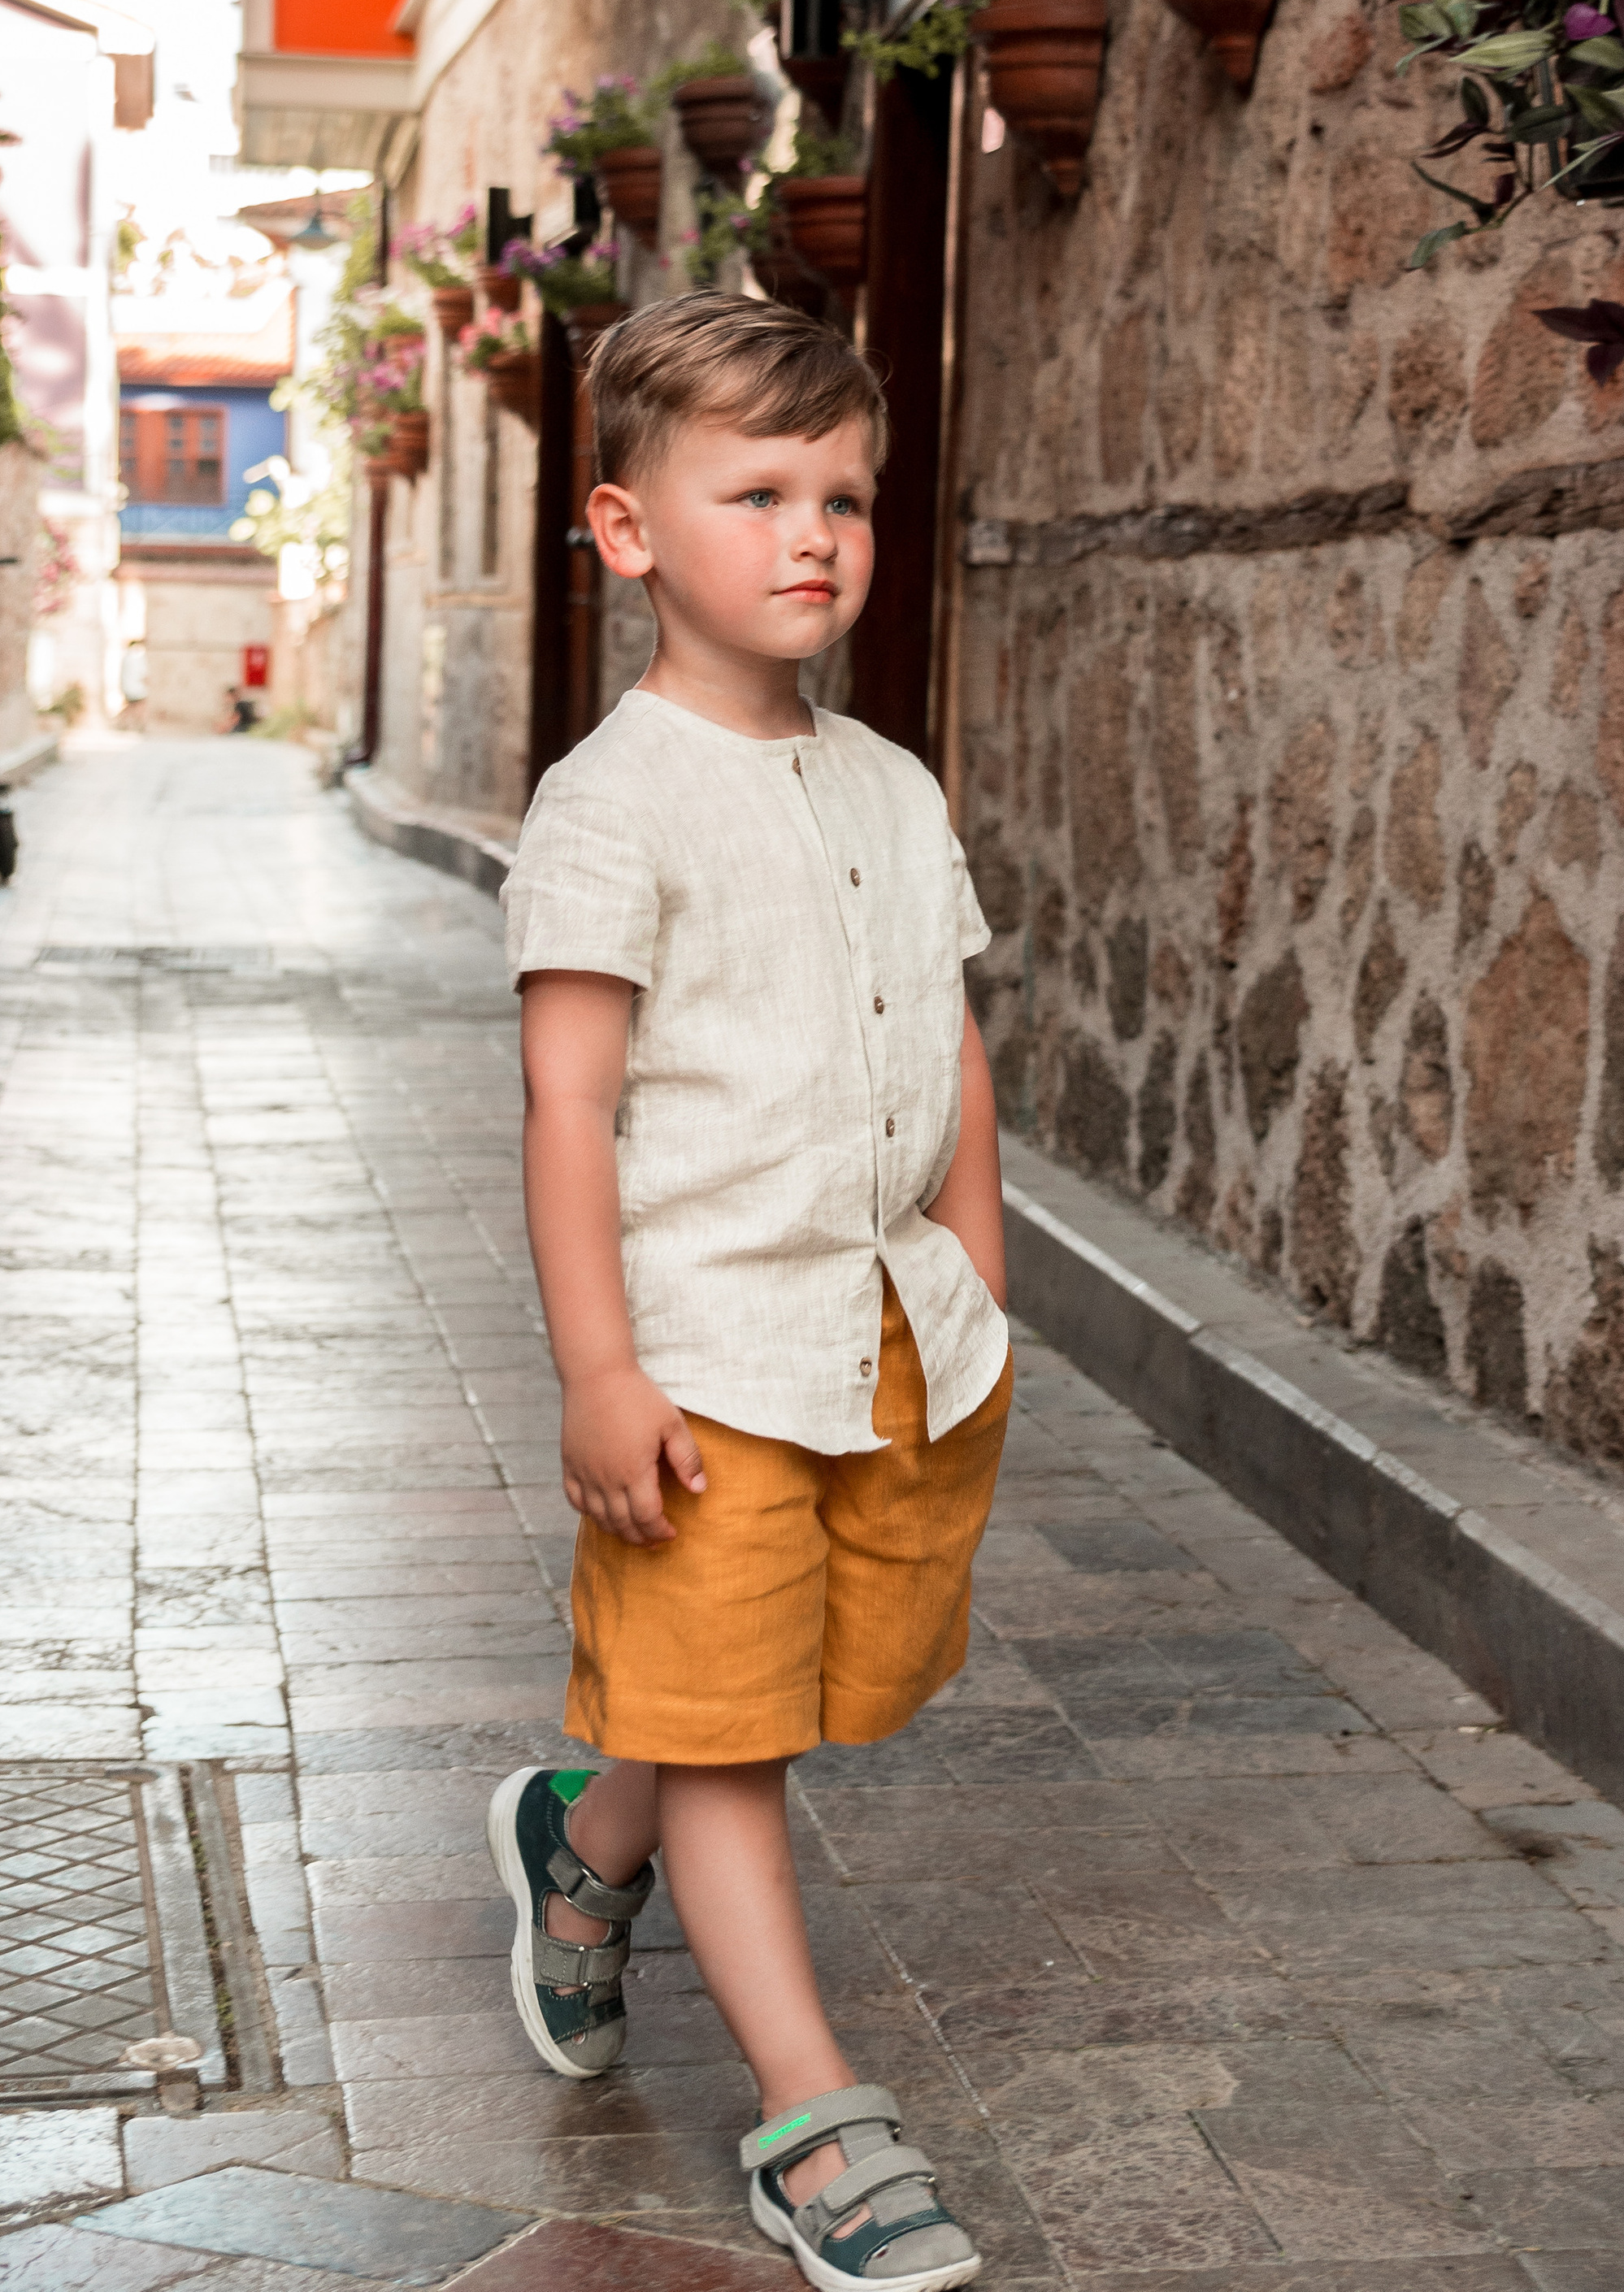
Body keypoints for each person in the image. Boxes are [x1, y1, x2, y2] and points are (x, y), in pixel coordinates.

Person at [489, 292, 1010, 2292]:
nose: (815, 532)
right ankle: (811, 2107)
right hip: (703, 1345)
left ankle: (578, 1845)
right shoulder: (611, 796)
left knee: (771, 1682)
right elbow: (567, 1095)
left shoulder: (889, 779)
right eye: (761, 491)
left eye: (846, 496)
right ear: (628, 531)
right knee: (734, 1730)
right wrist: (598, 1367)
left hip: (884, 1327)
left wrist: (976, 1253)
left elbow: (949, 1030)